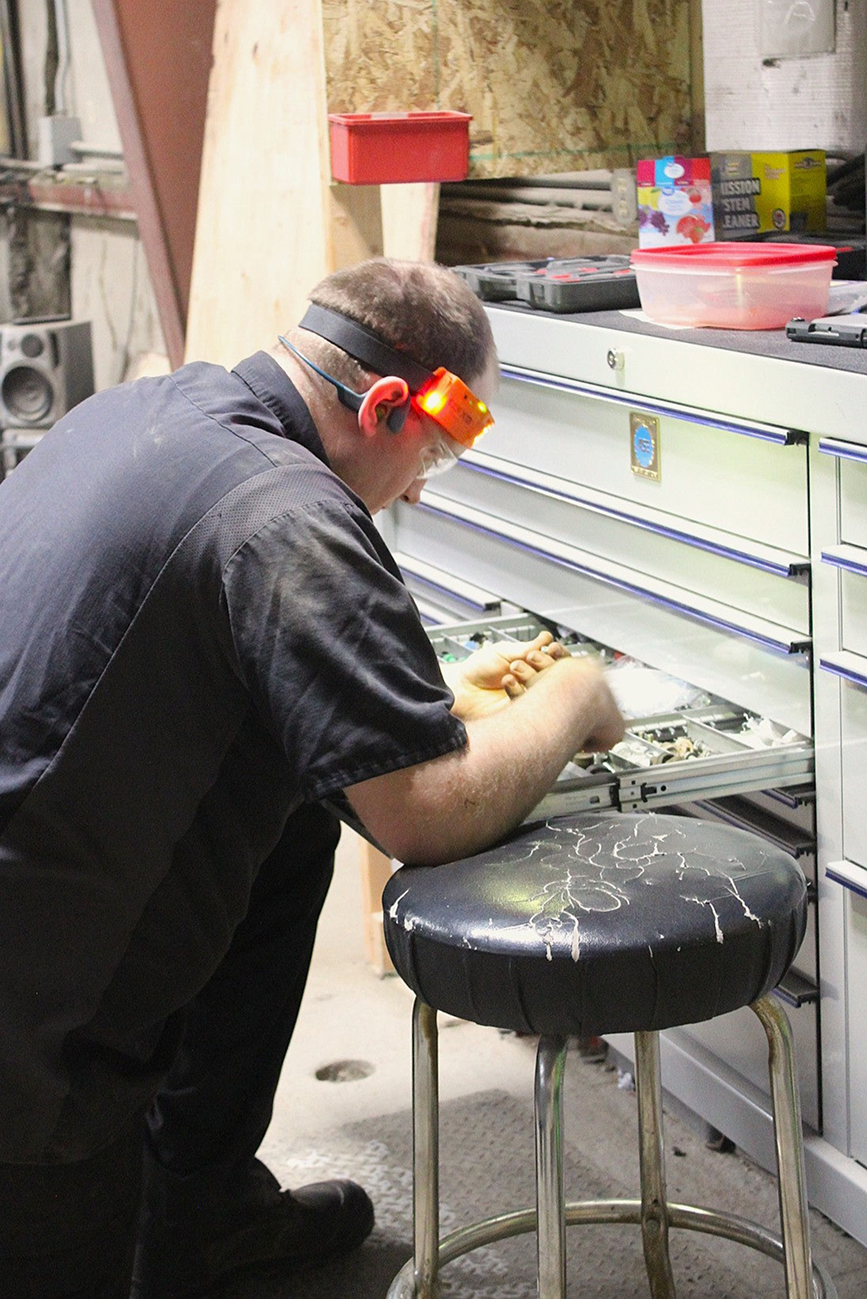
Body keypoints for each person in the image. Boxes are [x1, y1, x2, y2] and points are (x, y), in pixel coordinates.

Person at [0, 256, 624, 1298]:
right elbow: (422, 816)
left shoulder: (144, 414)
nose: (417, 487)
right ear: (383, 407)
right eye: (432, 455)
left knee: (292, 826)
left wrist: (428, 700)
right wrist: (573, 697)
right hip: (33, 1052)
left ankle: (200, 1206)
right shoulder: (291, 513)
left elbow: (214, 656)